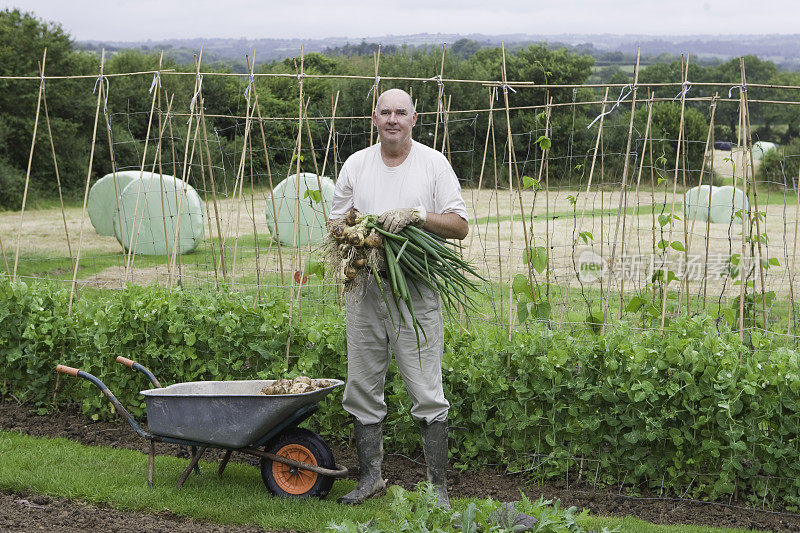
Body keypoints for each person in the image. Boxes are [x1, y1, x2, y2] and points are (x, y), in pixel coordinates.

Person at [328, 88, 468, 508]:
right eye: (385, 112)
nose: (392, 119)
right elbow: (335, 221)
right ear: (374, 118)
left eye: (400, 113)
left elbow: (460, 226)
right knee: (362, 385)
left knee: (426, 389)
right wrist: (358, 231)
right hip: (366, 290)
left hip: (416, 290)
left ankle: (438, 490)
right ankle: (371, 478)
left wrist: (417, 215)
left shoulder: (433, 163)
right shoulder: (357, 164)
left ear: (414, 118)